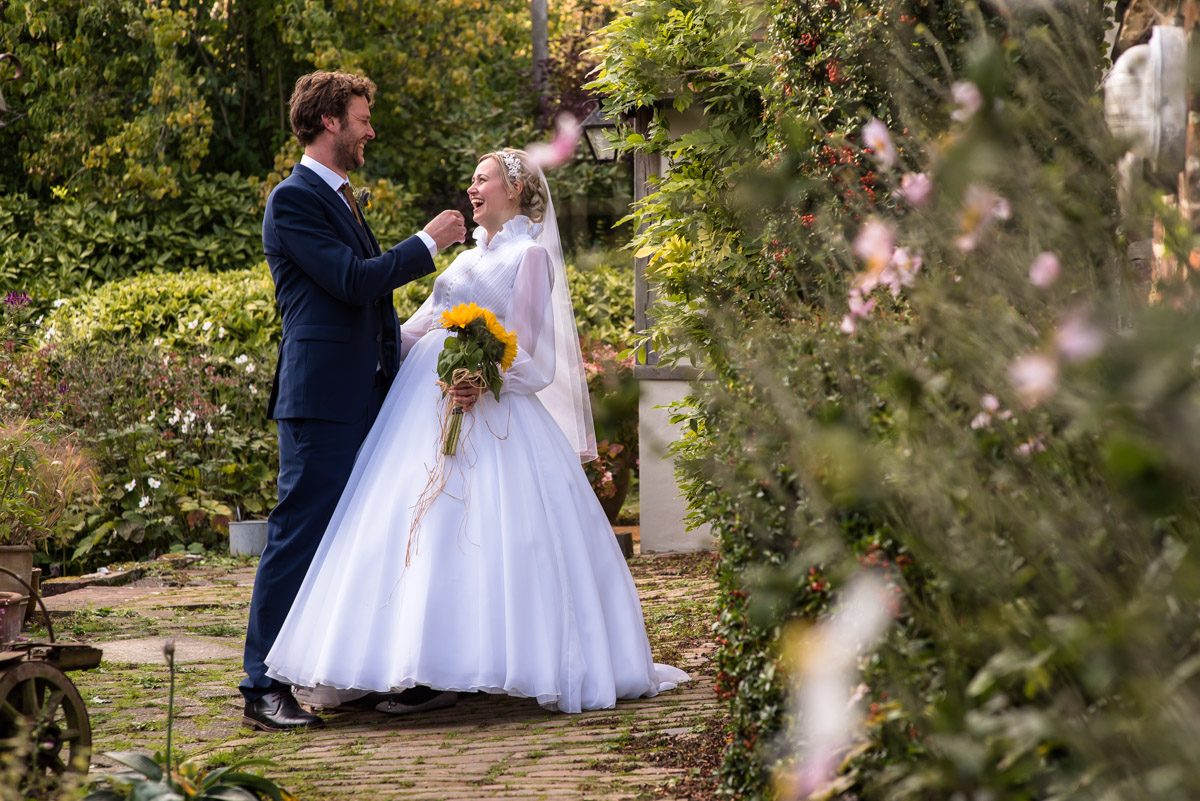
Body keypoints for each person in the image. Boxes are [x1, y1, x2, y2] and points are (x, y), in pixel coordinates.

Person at [263, 148, 689, 714]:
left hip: (495, 416)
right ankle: (404, 664)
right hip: (426, 409)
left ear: (514, 188)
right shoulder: (460, 264)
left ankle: (456, 671)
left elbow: (537, 359)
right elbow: (414, 331)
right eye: (471, 178)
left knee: (477, 536)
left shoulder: (530, 257)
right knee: (409, 531)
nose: (472, 186)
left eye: (483, 178)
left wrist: (486, 380)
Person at [240, 70, 471, 732]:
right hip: (321, 400)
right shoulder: (292, 201)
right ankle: (261, 685)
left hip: (368, 394)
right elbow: (351, 281)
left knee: (359, 536)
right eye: (363, 118)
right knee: (300, 534)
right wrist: (428, 243)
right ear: (330, 122)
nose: (372, 130)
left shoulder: (342, 200)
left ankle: (359, 672)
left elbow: (371, 306)